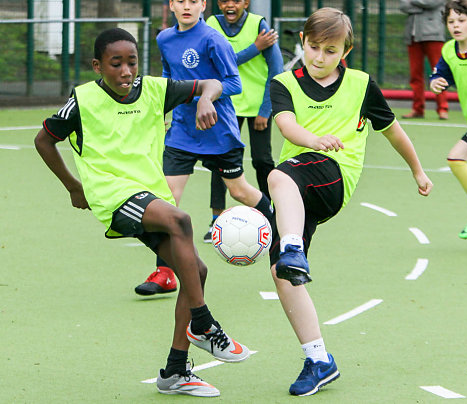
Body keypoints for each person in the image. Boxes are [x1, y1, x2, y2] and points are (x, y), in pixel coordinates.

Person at [34, 27, 250, 397]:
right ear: (97, 66)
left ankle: (175, 371)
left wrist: (205, 99)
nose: (125, 71)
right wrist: (74, 186)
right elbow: (44, 140)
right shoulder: (83, 100)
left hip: (148, 195)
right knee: (181, 219)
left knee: (195, 271)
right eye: (115, 64)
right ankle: (203, 323)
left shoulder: (154, 90)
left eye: (131, 62)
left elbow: (213, 82)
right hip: (111, 196)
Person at [267, 8, 433, 396]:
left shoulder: (361, 85)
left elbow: (393, 131)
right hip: (298, 185)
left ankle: (293, 248)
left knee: (278, 176)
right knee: (281, 273)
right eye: (313, 47)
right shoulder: (283, 82)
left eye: (330, 50)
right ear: (303, 43)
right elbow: (286, 125)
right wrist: (312, 139)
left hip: (335, 177)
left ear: (346, 50)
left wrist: (418, 170)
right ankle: (319, 359)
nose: (319, 57)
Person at [135, 0, 274, 293]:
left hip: (218, 132)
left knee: (239, 191)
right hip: (182, 134)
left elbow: (234, 83)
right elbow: (168, 79)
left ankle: (284, 235)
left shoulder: (213, 39)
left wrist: (206, 97)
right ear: (171, 5)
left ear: (203, 5)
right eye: (180, 1)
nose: (187, 6)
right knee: (167, 200)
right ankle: (164, 273)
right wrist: (159, 111)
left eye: (193, 1)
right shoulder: (164, 38)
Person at [202, 0, 283, 243]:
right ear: (218, 3)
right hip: (225, 107)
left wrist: (265, 109)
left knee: (262, 160)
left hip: (258, 108)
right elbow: (217, 64)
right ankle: (216, 219)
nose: (230, 5)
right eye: (225, 0)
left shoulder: (259, 25)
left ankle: (274, 215)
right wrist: (255, 47)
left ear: (246, 2)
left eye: (236, 0)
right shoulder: (212, 24)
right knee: (221, 162)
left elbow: (276, 69)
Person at [430, 0, 467, 238]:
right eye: (451, 21)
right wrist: (435, 83)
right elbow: (440, 75)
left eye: (461, 20)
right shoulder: (449, 50)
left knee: (456, 157)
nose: (456, 25)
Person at [399, 0, 449, 120]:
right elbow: (403, 5)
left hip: (434, 35)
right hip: (412, 36)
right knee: (415, 75)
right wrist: (422, 7)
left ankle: (443, 108)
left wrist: (414, 3)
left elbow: (431, 3)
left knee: (439, 72)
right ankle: (418, 109)